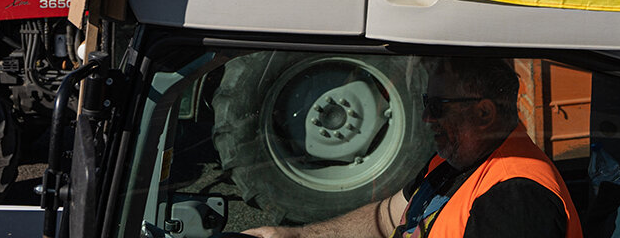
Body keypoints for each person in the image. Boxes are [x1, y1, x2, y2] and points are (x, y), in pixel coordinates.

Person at [243, 57, 583, 238]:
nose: (425, 118)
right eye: (424, 103)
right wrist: (294, 237)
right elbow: (386, 218)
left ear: (483, 113)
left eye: (437, 106)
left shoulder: (514, 197)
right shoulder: (454, 162)